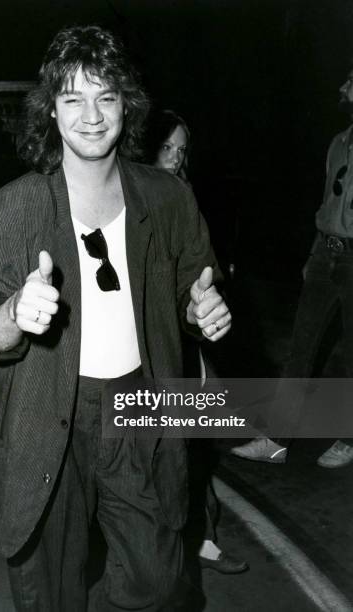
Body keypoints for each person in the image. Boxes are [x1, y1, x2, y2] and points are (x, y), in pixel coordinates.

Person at [0, 25, 231, 612]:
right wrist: (14, 312)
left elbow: (193, 287)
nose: (91, 115)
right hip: (47, 413)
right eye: (72, 98)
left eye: (105, 96)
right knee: (48, 590)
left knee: (157, 583)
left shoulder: (166, 197)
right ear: (51, 111)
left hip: (139, 406)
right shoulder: (9, 209)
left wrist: (199, 310)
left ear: (126, 107)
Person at [231, 67, 353, 468]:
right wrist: (314, 253)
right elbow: (326, 204)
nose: (343, 87)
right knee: (301, 349)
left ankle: (349, 441)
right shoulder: (338, 144)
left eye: (351, 81)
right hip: (326, 254)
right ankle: (276, 441)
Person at [147, 108, 247, 574]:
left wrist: (206, 300)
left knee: (190, 447)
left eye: (181, 150)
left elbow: (204, 274)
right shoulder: (123, 194)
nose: (174, 158)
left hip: (181, 345)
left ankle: (202, 539)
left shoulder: (184, 199)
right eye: (166, 147)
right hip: (138, 350)